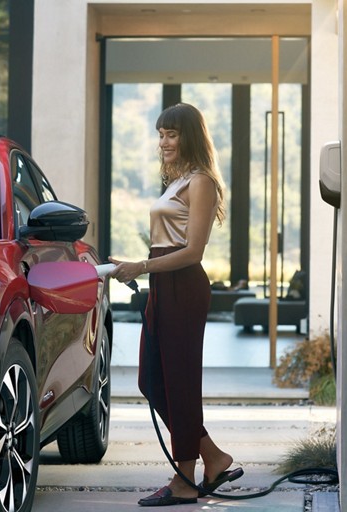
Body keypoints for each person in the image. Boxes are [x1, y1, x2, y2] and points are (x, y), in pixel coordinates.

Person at [110, 103, 243, 506]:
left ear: (190, 137)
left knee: (180, 383)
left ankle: (185, 479)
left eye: (172, 134)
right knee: (152, 381)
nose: (164, 142)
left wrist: (142, 266)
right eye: (161, 135)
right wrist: (132, 266)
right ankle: (213, 457)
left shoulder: (200, 182)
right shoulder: (175, 181)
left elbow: (193, 252)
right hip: (162, 284)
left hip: (183, 286)